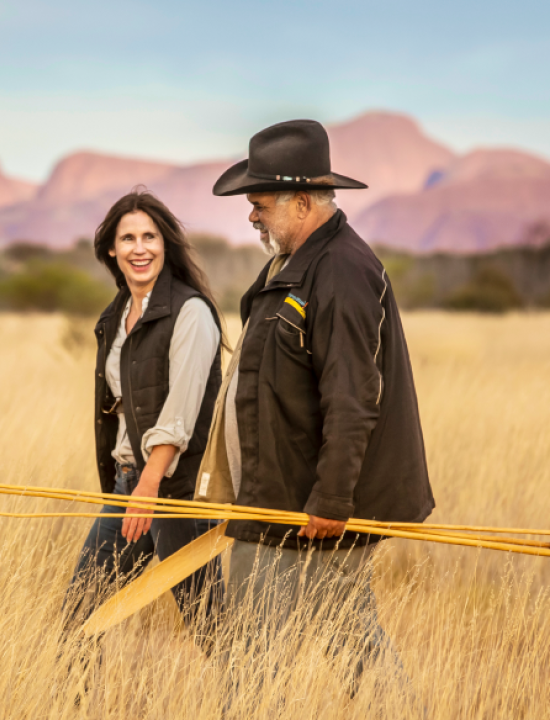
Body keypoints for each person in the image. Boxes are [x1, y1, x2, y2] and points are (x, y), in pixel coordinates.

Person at [195, 119, 435, 691]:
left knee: (257, 661)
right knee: (346, 641)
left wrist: (330, 499)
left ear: (301, 201)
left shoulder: (344, 272)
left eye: (259, 203)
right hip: (280, 499)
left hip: (306, 510)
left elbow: (353, 399)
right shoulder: (293, 263)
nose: (251, 215)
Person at [63, 189, 224, 640]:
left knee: (210, 628)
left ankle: (253, 703)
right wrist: (130, 485)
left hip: (177, 493)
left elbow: (181, 413)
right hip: (128, 486)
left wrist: (149, 486)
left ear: (165, 244)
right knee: (79, 617)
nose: (140, 248)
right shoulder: (115, 316)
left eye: (150, 236)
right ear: (111, 249)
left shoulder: (191, 313)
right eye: (128, 238)